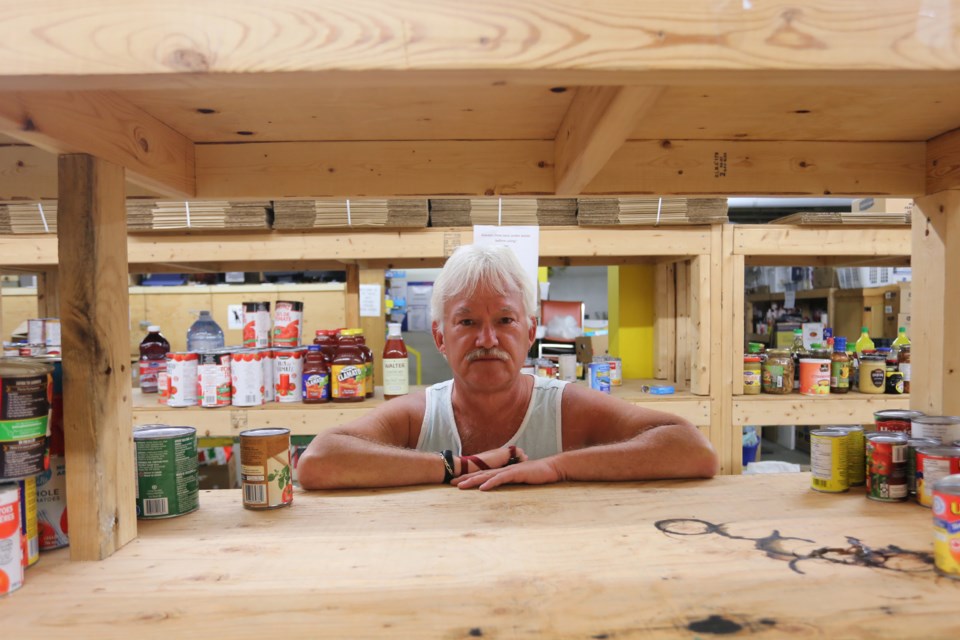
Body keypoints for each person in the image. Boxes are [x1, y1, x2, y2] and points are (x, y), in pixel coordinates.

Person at [298, 244, 719, 491]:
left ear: (531, 330)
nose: (487, 340)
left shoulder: (565, 409)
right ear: (440, 337)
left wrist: (556, 466)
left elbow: (693, 450)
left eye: (504, 320)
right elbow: (318, 461)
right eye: (466, 322)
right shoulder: (418, 415)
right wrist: (462, 465)